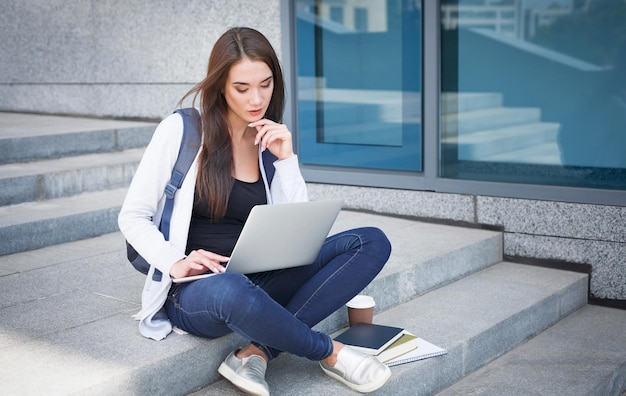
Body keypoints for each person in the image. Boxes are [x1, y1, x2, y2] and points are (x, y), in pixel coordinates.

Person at [118, 27, 392, 395]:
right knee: (232, 287)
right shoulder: (182, 130)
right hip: (199, 290)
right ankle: (330, 353)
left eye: (265, 84)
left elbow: (297, 233)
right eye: (242, 88)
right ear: (220, 87)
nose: (256, 98)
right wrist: (174, 261)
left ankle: (257, 351)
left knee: (370, 241)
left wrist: (287, 160)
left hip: (258, 276)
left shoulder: (267, 141)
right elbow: (132, 215)